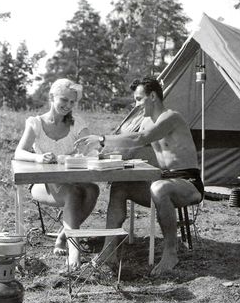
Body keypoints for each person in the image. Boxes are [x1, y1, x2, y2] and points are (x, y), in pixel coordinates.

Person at [74, 76, 204, 276]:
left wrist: (101, 139)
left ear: (152, 96)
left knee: (159, 188)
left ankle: (171, 252)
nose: (136, 105)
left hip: (188, 183)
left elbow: (140, 138)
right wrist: (101, 155)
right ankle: (109, 250)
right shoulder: (145, 121)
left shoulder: (171, 117)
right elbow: (133, 146)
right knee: (121, 186)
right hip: (164, 180)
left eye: (138, 99)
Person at [14, 78, 99, 270]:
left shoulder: (77, 124)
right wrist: (38, 158)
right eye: (64, 100)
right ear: (52, 97)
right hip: (42, 184)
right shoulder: (36, 123)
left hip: (73, 179)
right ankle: (74, 250)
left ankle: (62, 236)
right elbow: (19, 152)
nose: (68, 106)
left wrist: (86, 151)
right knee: (72, 193)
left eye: (72, 102)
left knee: (93, 190)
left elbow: (92, 148)